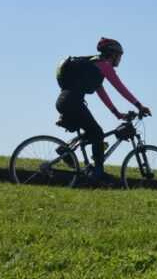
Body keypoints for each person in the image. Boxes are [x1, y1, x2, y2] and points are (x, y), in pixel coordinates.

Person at [55, 37, 151, 183]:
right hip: (72, 102)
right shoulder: (104, 65)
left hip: (65, 101)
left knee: (93, 133)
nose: (120, 58)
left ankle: (66, 150)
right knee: (98, 134)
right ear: (112, 54)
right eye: (119, 55)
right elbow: (120, 87)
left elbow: (102, 93)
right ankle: (98, 173)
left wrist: (116, 113)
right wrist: (139, 105)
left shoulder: (94, 67)